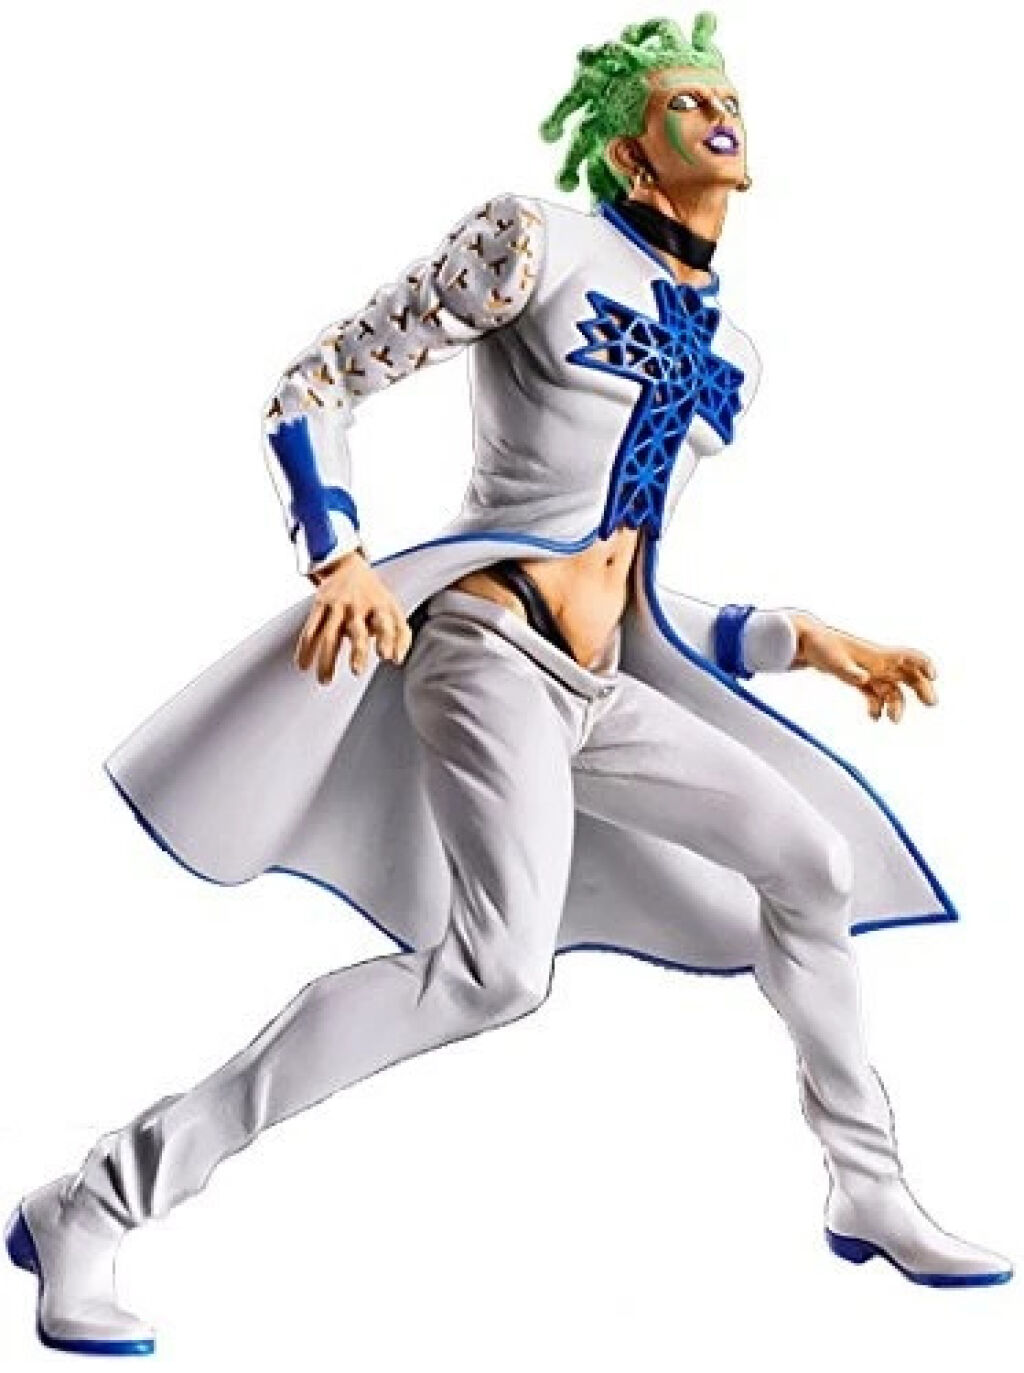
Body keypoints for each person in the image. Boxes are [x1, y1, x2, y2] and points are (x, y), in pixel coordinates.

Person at [5, 11, 1011, 1358]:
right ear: (628, 151)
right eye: (682, 101)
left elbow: (631, 588)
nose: (718, 111)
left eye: (725, 92)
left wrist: (798, 637)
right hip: (485, 655)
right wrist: (340, 555)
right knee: (493, 972)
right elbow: (314, 384)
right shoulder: (534, 243)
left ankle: (866, 1186)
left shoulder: (729, 356)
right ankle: (96, 1200)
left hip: (597, 689)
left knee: (811, 860)